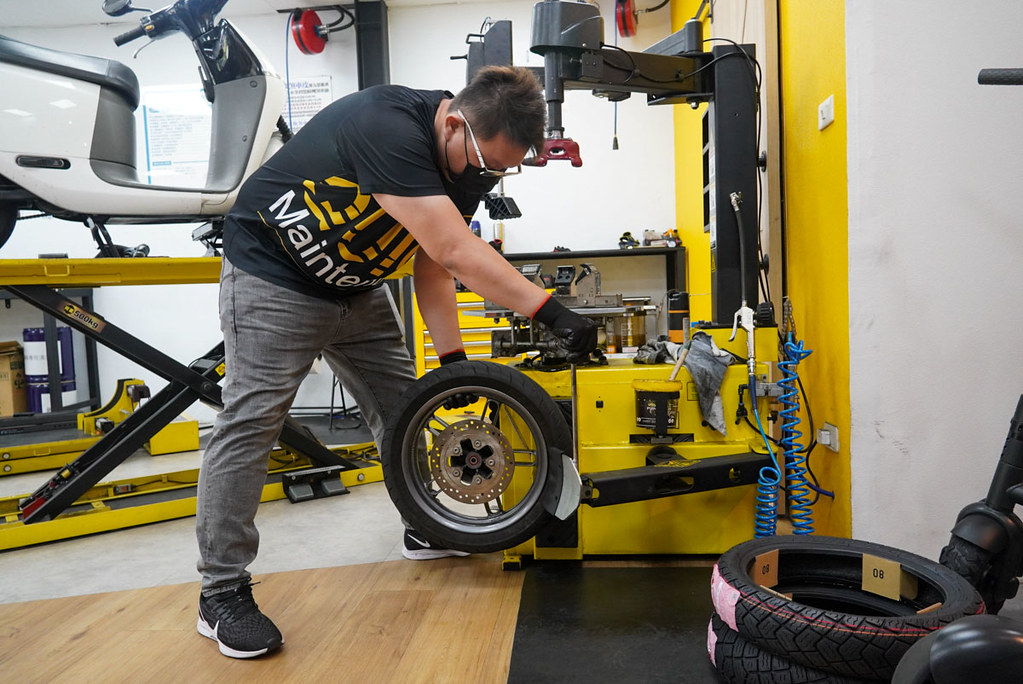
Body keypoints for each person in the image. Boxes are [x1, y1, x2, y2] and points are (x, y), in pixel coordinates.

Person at [193, 65, 598, 659]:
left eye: (500, 171)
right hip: (274, 275)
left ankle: (423, 524)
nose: (487, 177)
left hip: (356, 289)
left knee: (404, 412)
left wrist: (453, 361)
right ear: (454, 123)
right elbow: (455, 249)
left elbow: (432, 264)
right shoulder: (385, 124)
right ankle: (221, 591)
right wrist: (551, 311)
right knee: (252, 423)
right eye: (487, 164)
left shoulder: (466, 162)